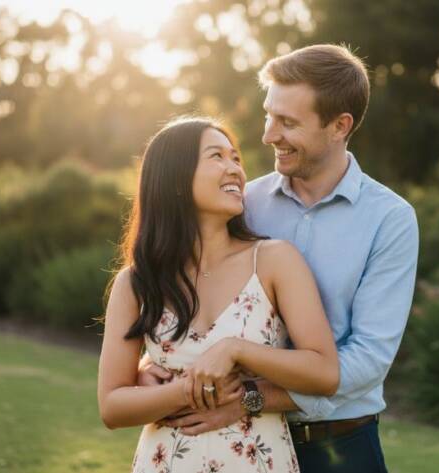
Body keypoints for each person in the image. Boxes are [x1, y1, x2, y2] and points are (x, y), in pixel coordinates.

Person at [142, 44, 419, 473]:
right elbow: (191, 292)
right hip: (237, 445)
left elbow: (367, 358)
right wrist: (155, 363)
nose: (269, 134)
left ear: (339, 126)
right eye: (269, 114)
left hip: (341, 447)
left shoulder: (390, 219)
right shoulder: (242, 203)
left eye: (287, 122)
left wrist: (251, 401)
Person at [97, 116, 339, 472]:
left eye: (236, 158)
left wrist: (235, 350)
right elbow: (112, 407)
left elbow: (324, 372)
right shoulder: (136, 282)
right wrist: (184, 392)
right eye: (217, 157)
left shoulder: (274, 260)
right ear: (175, 178)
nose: (235, 170)